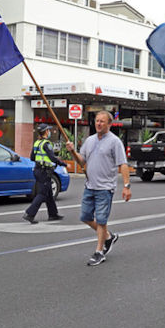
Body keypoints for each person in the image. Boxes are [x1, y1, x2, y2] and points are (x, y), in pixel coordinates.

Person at [65, 111, 132, 266]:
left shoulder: (115, 142)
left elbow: (123, 164)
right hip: (90, 185)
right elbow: (81, 161)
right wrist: (72, 151)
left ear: (109, 124)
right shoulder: (89, 140)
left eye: (102, 121)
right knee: (85, 217)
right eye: (97, 121)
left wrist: (126, 186)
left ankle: (99, 251)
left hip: (105, 188)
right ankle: (108, 236)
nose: (99, 124)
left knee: (101, 221)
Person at [23, 124, 67, 224]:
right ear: (46, 132)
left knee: (49, 194)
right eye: (48, 130)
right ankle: (29, 214)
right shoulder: (46, 144)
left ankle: (53, 214)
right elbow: (52, 158)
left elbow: (32, 158)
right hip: (44, 171)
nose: (49, 132)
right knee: (42, 194)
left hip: (38, 170)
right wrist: (62, 163)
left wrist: (41, 160)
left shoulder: (37, 143)